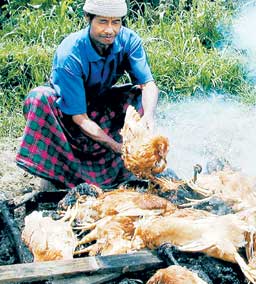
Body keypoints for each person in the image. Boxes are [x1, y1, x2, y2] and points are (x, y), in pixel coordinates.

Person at [16, 0, 159, 191]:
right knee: (40, 98)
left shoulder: (129, 40)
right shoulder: (70, 54)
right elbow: (80, 118)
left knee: (140, 97)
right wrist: (117, 147)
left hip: (100, 104)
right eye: (102, 22)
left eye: (115, 22)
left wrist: (148, 116)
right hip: (69, 113)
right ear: (88, 19)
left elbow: (148, 84)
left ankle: (130, 169)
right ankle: (54, 174)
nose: (110, 30)